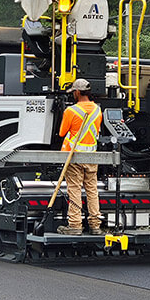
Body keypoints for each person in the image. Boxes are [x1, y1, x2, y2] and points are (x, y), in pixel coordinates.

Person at [56, 78, 104, 235]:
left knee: (75, 189)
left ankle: (75, 225)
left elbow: (62, 133)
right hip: (91, 156)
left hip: (74, 156)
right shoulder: (98, 110)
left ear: (77, 92)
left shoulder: (71, 111)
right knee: (92, 189)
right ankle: (95, 225)